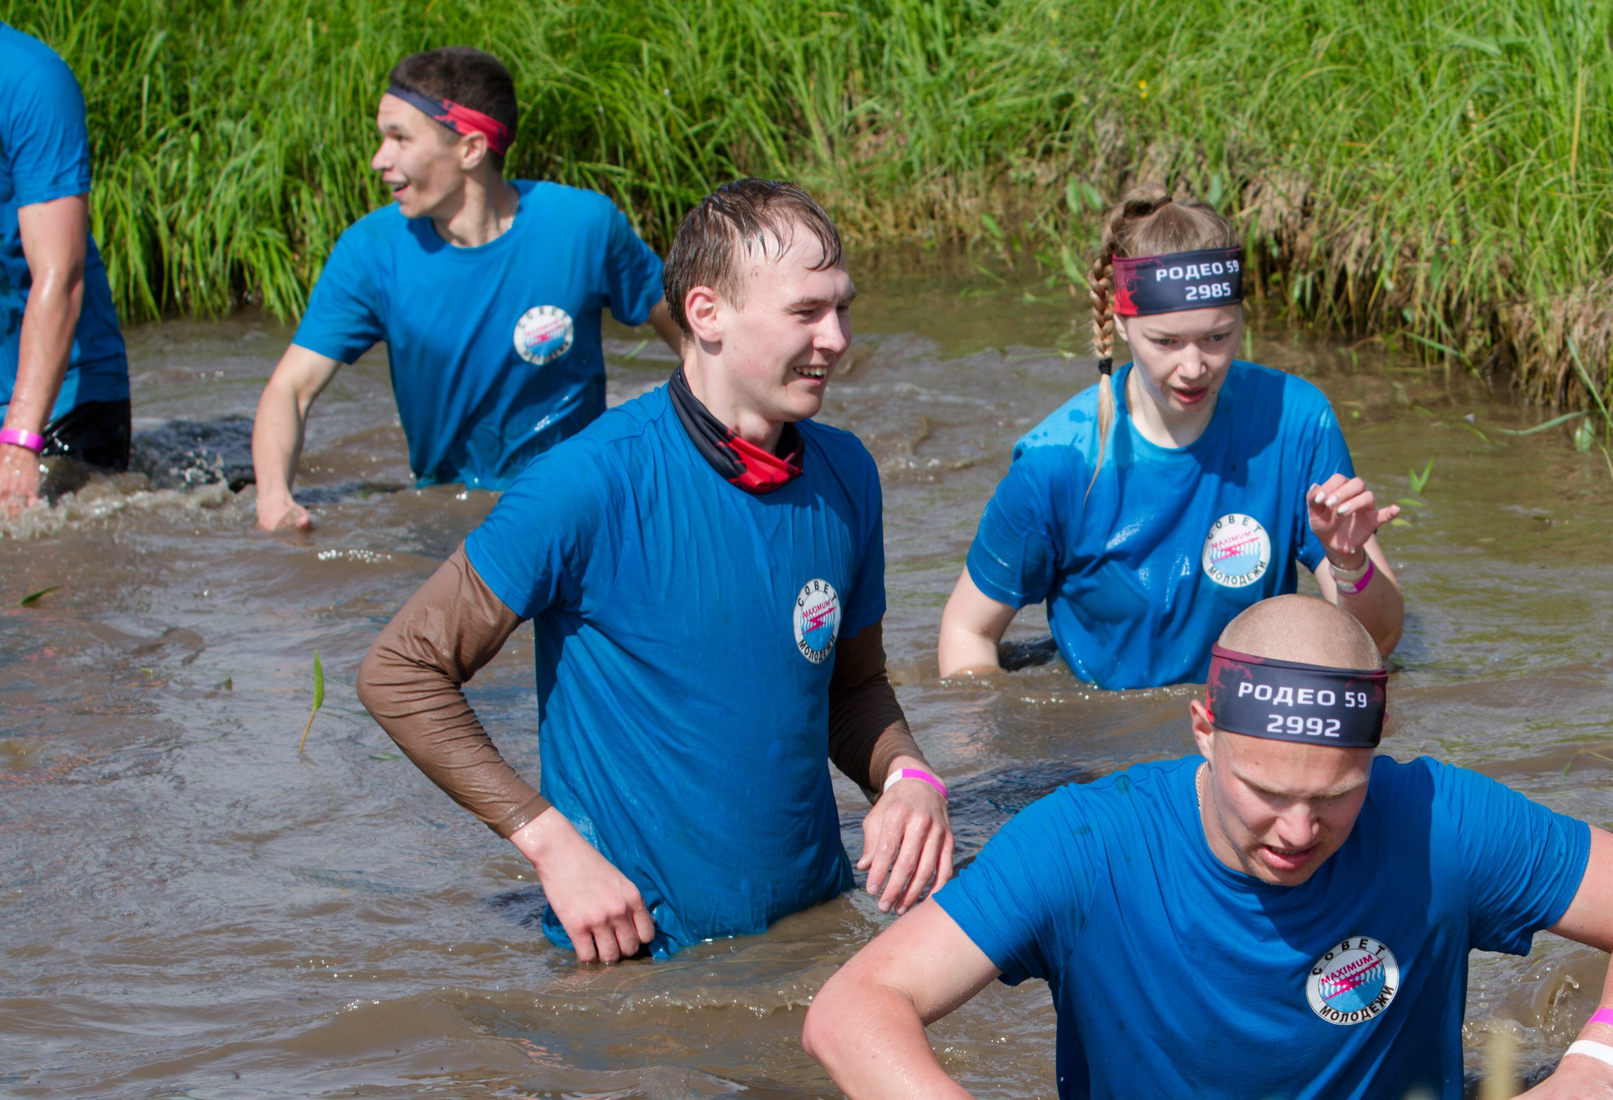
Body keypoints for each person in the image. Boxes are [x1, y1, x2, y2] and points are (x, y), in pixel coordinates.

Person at [804, 594, 1613, 1100]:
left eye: (1336, 796)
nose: (1297, 830)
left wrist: (1596, 1066)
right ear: (1203, 728)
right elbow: (853, 1008)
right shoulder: (1082, 845)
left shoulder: (1437, 822)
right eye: (1265, 792)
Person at [357, 178, 951, 962]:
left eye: (843, 307)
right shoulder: (585, 484)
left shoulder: (846, 474)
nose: (838, 338)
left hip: (815, 937)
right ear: (705, 313)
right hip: (635, 963)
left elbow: (854, 687)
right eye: (807, 312)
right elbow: (400, 670)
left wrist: (909, 778)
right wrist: (548, 843)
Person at [934, 190, 1404, 689]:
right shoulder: (1057, 463)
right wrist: (988, 734)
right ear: (1120, 322)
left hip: (1239, 714)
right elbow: (968, 631)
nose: (1194, 367)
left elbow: (1378, 641)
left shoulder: (1295, 421)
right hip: (1104, 722)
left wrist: (1349, 562)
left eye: (1217, 337)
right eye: (1166, 342)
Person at [251, 47, 683, 530]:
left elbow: (685, 332)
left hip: (579, 505)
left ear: (471, 149)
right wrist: (274, 501)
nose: (378, 160)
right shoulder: (370, 253)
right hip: (448, 511)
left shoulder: (583, 227)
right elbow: (291, 388)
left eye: (399, 138)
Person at [0, 0, 132, 516]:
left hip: (61, 409)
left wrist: (20, 440)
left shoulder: (31, 81)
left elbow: (61, 274)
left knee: (36, 561)